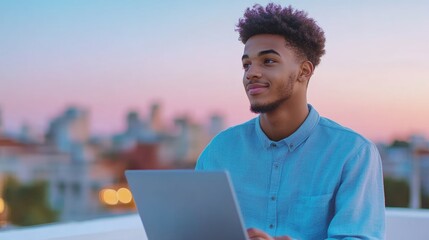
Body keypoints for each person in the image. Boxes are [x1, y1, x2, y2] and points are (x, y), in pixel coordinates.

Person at [195, 3, 385, 240]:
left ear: (304, 71)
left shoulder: (353, 153)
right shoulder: (219, 151)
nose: (251, 72)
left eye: (268, 61)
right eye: (246, 64)